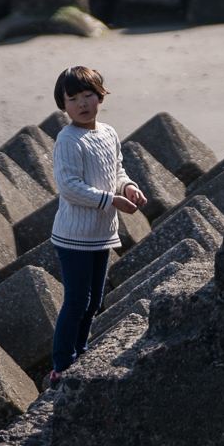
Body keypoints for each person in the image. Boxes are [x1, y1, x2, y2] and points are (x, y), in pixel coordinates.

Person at [48, 65, 143, 386]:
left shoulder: (109, 133)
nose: (82, 103)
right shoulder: (67, 139)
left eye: (88, 95)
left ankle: (81, 352)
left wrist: (128, 187)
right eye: (72, 98)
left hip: (101, 235)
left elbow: (117, 171)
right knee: (76, 300)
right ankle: (62, 366)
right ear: (63, 105)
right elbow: (69, 186)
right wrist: (112, 201)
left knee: (93, 301)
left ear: (101, 96)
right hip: (73, 236)